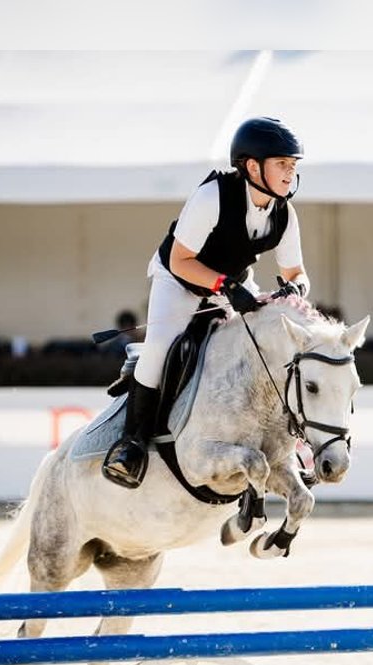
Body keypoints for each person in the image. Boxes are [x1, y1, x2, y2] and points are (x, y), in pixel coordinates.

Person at [102, 116, 312, 489]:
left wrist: (296, 290)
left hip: (233, 282)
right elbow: (181, 260)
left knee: (262, 349)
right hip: (179, 280)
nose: (289, 173)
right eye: (281, 164)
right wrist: (224, 285)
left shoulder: (284, 214)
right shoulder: (212, 197)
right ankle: (130, 445)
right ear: (252, 166)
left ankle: (277, 443)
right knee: (160, 351)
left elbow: (296, 271)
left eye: (292, 166)